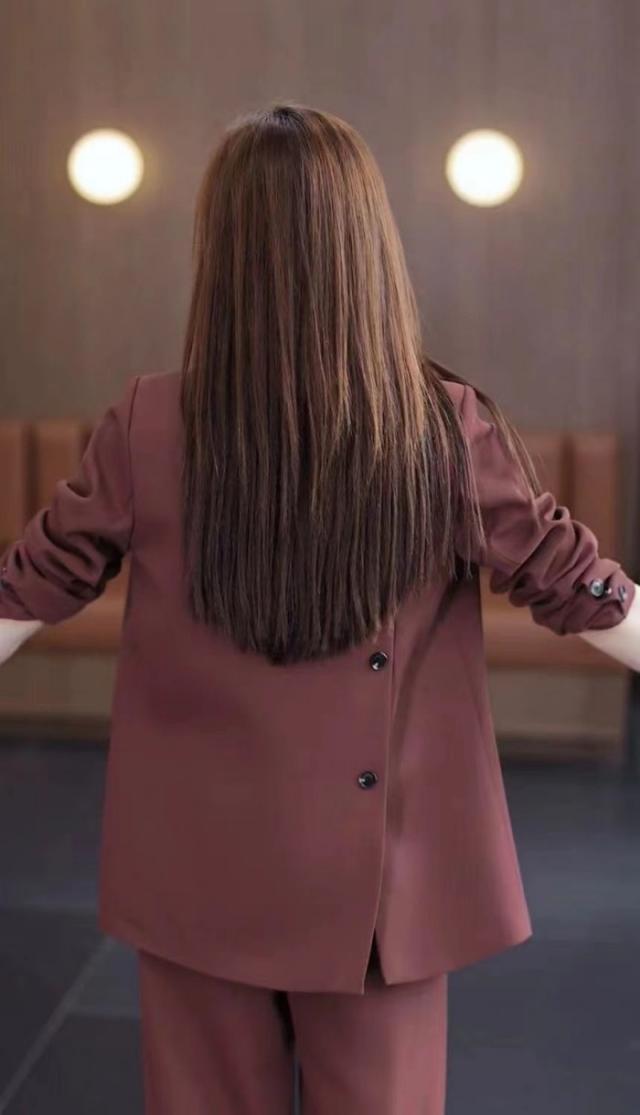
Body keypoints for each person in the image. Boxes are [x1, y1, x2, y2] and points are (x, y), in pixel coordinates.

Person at [1, 102, 638, 1115]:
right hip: (379, 887)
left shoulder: (149, 421)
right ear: (366, 246)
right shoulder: (440, 426)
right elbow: (574, 578)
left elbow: (30, 580)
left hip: (197, 872)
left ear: (222, 253)